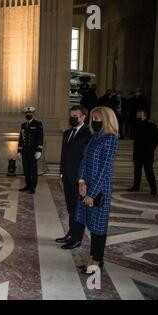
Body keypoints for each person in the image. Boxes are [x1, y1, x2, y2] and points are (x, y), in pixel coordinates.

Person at [76, 106, 119, 275]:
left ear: (107, 120)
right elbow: (84, 160)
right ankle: (92, 259)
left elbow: (104, 169)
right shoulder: (94, 137)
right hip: (87, 186)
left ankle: (96, 261)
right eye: (93, 118)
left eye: (98, 119)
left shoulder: (110, 139)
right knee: (92, 226)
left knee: (99, 228)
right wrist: (81, 182)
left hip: (100, 189)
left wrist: (92, 193)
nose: (94, 122)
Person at [57, 106, 92, 250]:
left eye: (75, 116)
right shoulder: (67, 133)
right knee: (71, 207)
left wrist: (83, 179)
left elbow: (86, 159)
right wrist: (61, 174)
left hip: (79, 179)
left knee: (78, 209)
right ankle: (71, 233)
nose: (72, 118)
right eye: (71, 115)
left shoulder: (88, 134)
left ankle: (77, 238)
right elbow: (64, 156)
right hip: (67, 177)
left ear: (83, 117)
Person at [128, 109, 158, 195]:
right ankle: (136, 186)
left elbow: (157, 139)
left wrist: (151, 148)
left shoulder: (152, 126)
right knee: (137, 171)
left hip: (147, 153)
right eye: (137, 115)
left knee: (149, 171)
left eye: (140, 115)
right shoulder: (135, 125)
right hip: (138, 152)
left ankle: (153, 188)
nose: (138, 116)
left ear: (145, 116)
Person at [17, 107, 44, 194]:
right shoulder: (23, 125)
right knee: (26, 169)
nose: (28, 114)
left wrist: (39, 150)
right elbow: (21, 138)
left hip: (33, 151)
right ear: (25, 114)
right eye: (27, 113)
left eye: (30, 113)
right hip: (25, 151)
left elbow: (40, 137)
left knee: (33, 170)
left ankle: (33, 187)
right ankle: (28, 185)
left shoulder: (38, 124)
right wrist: (19, 151)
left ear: (33, 114)